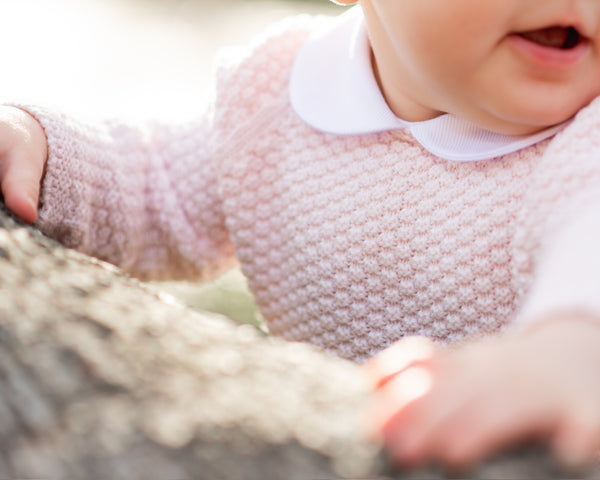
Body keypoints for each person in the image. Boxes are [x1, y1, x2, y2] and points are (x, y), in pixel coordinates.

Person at [1, 0, 600, 471]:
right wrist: (41, 152)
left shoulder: (585, 142)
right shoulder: (277, 97)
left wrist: (573, 349)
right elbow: (154, 183)